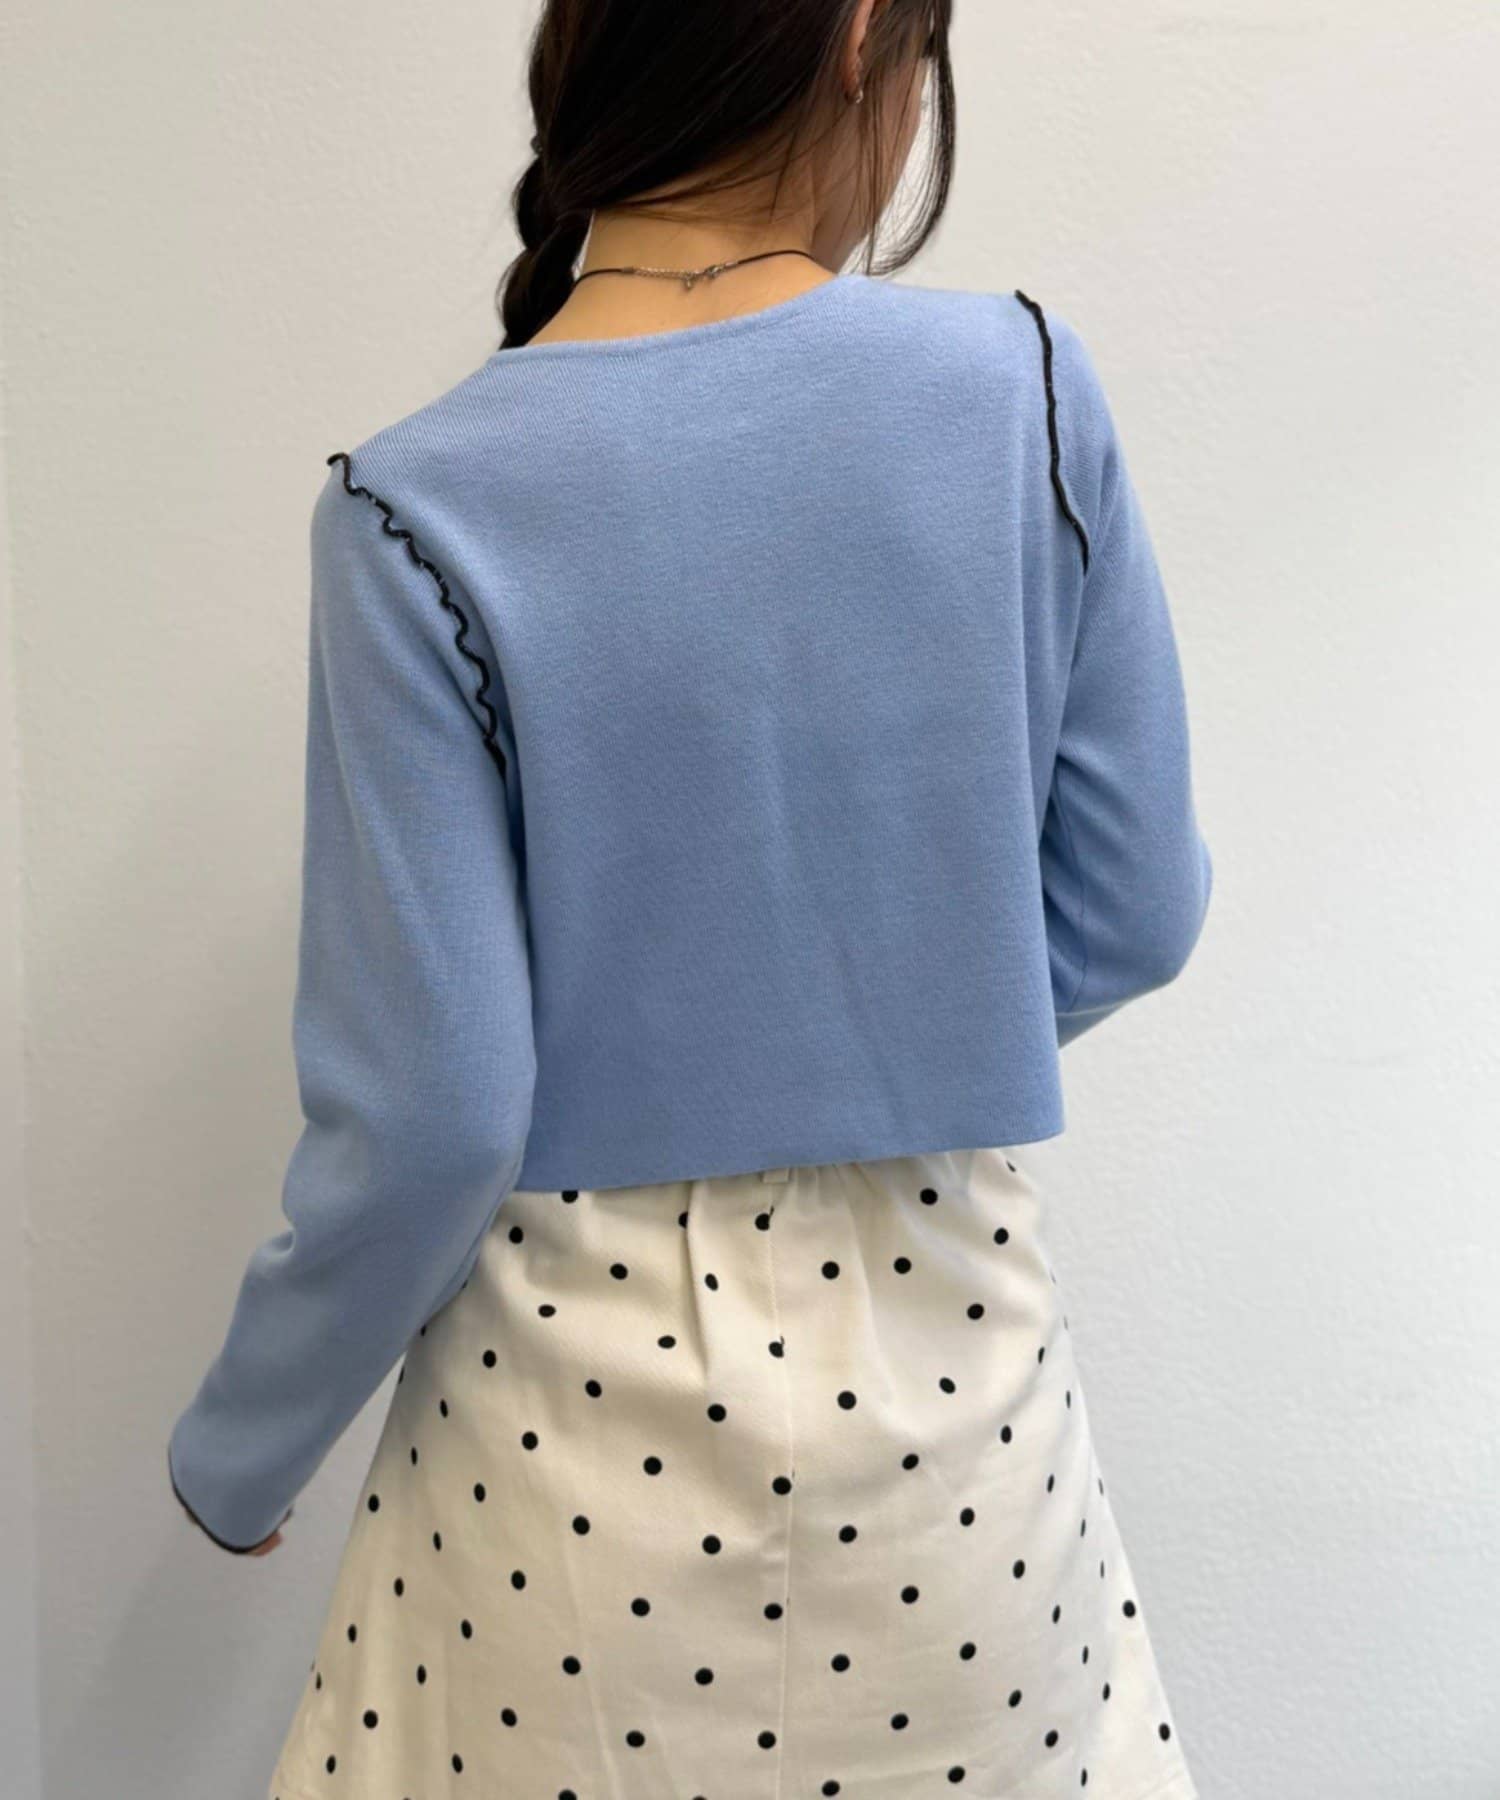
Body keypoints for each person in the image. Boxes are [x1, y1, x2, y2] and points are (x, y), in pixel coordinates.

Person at [166, 1, 1213, 1794]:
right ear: (869, 35)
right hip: (955, 1448)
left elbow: (429, 1117)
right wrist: (892, 1018)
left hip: (561, 1490)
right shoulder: (1026, 391)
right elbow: (1134, 913)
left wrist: (239, 1449)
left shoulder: (409, 510)